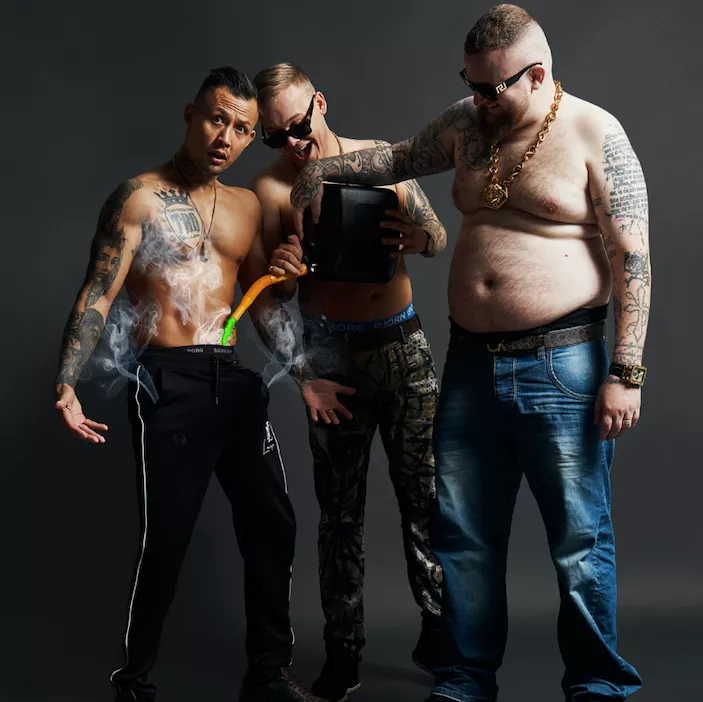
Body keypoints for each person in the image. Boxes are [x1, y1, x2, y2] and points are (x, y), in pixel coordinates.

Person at [289, 5, 651, 701]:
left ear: (537, 75)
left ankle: (597, 686)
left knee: (578, 540)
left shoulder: (593, 132)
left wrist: (626, 371)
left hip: (561, 363)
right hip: (470, 363)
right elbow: (398, 158)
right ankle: (463, 680)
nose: (478, 99)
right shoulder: (467, 122)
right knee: (462, 533)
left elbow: (632, 255)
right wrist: (318, 174)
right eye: (469, 83)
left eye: (491, 88)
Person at [54, 66, 324, 702]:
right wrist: (66, 381)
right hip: (167, 379)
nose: (225, 136)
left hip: (232, 378)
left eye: (242, 128)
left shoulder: (247, 206)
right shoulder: (138, 197)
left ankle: (267, 675)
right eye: (216, 119)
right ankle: (133, 682)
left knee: (273, 523)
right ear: (190, 115)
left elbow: (262, 302)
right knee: (167, 535)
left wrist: (304, 369)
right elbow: (98, 294)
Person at [250, 62, 447, 702]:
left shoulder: (379, 159)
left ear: (321, 104)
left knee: (426, 502)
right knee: (339, 518)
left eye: (298, 125)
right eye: (275, 136)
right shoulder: (270, 191)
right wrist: (303, 372)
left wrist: (417, 236)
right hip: (331, 361)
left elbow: (438, 235)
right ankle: (344, 653)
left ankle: (440, 635)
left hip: (403, 348)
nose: (293, 144)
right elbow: (267, 301)